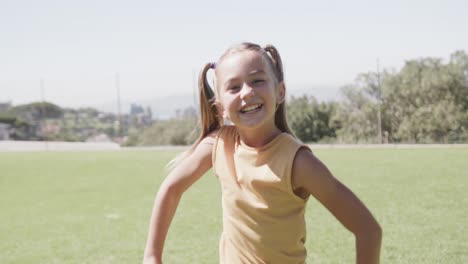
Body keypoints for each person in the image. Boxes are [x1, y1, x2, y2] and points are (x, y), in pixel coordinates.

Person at [142, 42, 382, 264]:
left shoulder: (299, 162)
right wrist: (152, 255)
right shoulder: (218, 145)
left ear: (280, 91)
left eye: (257, 81)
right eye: (234, 87)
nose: (246, 92)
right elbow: (171, 189)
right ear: (221, 108)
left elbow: (368, 230)